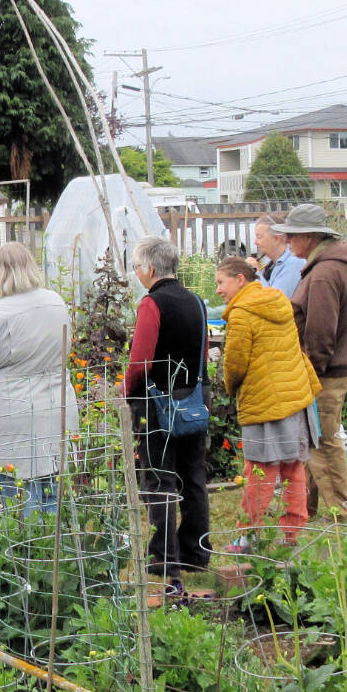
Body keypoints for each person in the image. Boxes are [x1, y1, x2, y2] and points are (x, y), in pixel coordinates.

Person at [0, 241, 79, 517]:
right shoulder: (57, 302)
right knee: (51, 491)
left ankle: (26, 556)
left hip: (12, 414)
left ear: (0, 272)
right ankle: (54, 556)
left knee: (17, 502)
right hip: (56, 406)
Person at [121, 236, 211, 590]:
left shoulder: (151, 304)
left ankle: (165, 557)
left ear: (151, 269)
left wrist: (128, 393)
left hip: (158, 402)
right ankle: (196, 550)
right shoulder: (197, 302)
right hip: (193, 400)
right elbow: (202, 353)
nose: (137, 273)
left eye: (137, 267)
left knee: (159, 480)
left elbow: (139, 359)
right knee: (194, 477)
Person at [215, 257, 320, 546]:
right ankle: (292, 534)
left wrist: (230, 387)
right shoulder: (278, 301)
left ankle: (247, 536)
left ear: (240, 280)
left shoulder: (241, 313)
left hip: (264, 401)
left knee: (259, 470)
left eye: (221, 282)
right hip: (294, 396)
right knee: (293, 467)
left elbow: (235, 363)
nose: (218, 290)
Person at [271, 203, 347, 520]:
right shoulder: (334, 265)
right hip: (330, 370)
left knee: (324, 443)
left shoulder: (324, 273)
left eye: (292, 236)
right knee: (313, 439)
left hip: (323, 373)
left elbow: (321, 332)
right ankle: (304, 508)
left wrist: (309, 372)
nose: (287, 243)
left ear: (309, 236)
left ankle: (342, 513)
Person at [244, 214, 304, 299]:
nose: (255, 242)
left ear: (276, 239)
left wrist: (254, 272)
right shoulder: (268, 262)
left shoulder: (294, 263)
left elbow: (275, 302)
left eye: (259, 237)